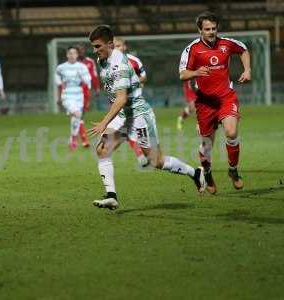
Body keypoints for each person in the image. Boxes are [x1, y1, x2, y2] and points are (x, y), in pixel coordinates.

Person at [88, 25, 205, 210]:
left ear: (110, 44)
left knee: (155, 162)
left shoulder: (120, 65)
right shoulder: (103, 59)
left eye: (97, 46)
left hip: (138, 116)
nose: (94, 51)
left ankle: (195, 173)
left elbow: (121, 99)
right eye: (93, 46)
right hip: (122, 115)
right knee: (102, 149)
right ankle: (111, 196)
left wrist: (104, 122)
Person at [179, 11, 251, 194]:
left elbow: (243, 49)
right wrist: (195, 73)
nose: (211, 32)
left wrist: (247, 70)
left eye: (213, 28)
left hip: (226, 97)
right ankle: (208, 173)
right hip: (204, 102)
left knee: (231, 131)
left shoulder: (226, 44)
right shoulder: (192, 49)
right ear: (199, 30)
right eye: (207, 29)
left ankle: (233, 170)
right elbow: (182, 74)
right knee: (206, 144)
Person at [114, 36, 149, 167]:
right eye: (114, 46)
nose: (116, 49)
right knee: (125, 129)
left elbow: (144, 77)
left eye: (119, 46)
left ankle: (145, 153)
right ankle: (140, 155)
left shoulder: (134, 61)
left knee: (140, 131)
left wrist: (131, 82)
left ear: (124, 47)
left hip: (136, 102)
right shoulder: (108, 63)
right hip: (120, 102)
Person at [55, 46, 92, 151]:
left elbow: (87, 82)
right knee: (77, 114)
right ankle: (74, 139)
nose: (72, 55)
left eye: (74, 53)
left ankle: (73, 139)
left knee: (76, 118)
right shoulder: (61, 68)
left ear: (77, 55)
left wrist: (82, 77)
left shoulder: (82, 67)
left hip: (78, 96)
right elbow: (57, 81)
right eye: (70, 53)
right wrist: (59, 95)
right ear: (67, 55)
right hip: (67, 95)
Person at [75, 43, 101, 147]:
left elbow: (94, 76)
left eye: (82, 49)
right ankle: (84, 140)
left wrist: (97, 88)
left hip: (86, 91)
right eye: (78, 50)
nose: (80, 52)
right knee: (79, 115)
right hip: (74, 91)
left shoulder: (90, 62)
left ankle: (76, 135)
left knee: (80, 115)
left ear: (84, 50)